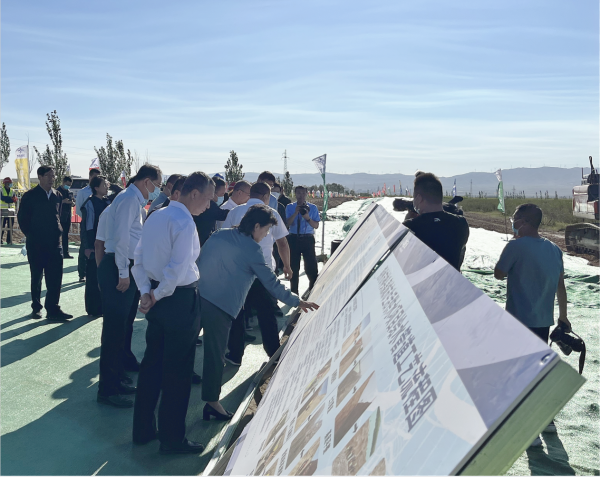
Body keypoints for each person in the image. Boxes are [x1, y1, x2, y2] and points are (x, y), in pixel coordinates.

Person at [198, 204, 319, 419]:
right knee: (215, 355)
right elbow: (271, 284)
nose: (266, 236)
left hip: (197, 296)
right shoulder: (252, 250)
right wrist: (297, 301)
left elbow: (199, 262)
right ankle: (212, 403)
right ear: (256, 226)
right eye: (266, 230)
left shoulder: (219, 235)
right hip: (220, 306)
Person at [132, 172, 215, 455]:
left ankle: (143, 429)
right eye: (208, 199)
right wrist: (155, 294)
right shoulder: (184, 222)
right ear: (194, 193)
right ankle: (171, 438)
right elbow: (177, 270)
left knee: (152, 365)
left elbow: (138, 258)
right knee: (178, 372)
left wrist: (147, 292)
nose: (209, 205)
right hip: (178, 299)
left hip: (157, 297)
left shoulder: (156, 215)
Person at [494, 203, 571, 446]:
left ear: (524, 222)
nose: (513, 222)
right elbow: (560, 286)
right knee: (537, 370)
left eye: (515, 219)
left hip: (518, 319)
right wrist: (563, 316)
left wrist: (511, 247)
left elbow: (499, 273)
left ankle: (530, 430)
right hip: (543, 321)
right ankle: (547, 420)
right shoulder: (554, 249)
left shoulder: (515, 246)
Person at [96, 164, 162, 408]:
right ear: (146, 181)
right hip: (118, 266)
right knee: (114, 331)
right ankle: (107, 389)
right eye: (157, 184)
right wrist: (123, 272)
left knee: (122, 328)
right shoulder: (128, 200)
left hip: (124, 266)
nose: (157, 190)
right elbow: (122, 239)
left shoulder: (133, 200)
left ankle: (116, 379)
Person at [221, 182, 293, 366]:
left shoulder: (234, 212)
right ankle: (274, 354)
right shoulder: (271, 213)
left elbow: (225, 240)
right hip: (262, 271)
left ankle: (234, 354)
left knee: (237, 314)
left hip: (237, 272)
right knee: (266, 313)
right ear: (266, 196)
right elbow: (282, 243)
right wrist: (287, 266)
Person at [17, 166, 73, 321]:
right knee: (36, 277)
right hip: (36, 244)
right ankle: (36, 308)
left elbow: (57, 216)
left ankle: (53, 308)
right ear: (40, 177)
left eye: (53, 176)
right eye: (48, 175)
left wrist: (57, 231)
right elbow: (22, 218)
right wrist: (32, 235)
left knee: (55, 277)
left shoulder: (57, 195)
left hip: (55, 243)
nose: (52, 178)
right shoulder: (30, 196)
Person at [402, 172, 469, 271]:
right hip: (451, 279)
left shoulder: (410, 226)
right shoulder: (461, 223)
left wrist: (406, 222)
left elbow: (402, 258)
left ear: (419, 198)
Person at [81, 175, 111, 317]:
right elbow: (87, 227)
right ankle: (93, 308)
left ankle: (103, 306)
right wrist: (88, 246)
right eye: (104, 185)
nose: (107, 187)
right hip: (94, 245)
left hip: (107, 245)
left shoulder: (108, 201)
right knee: (93, 277)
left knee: (104, 276)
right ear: (96, 188)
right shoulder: (90, 203)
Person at [286, 185, 321, 295]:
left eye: (303, 193)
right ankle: (294, 293)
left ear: (306, 194)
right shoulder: (290, 207)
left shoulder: (313, 208)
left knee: (311, 267)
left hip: (308, 239)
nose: (301, 196)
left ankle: (312, 291)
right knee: (293, 267)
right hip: (293, 238)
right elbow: (287, 224)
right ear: (295, 194)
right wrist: (295, 213)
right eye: (298, 193)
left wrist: (307, 218)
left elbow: (316, 225)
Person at [76, 168, 101, 281]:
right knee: (84, 248)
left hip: (98, 225)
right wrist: (87, 218)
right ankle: (82, 273)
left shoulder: (102, 191)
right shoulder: (83, 192)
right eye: (94, 177)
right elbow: (79, 209)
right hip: (87, 223)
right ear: (90, 177)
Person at [193, 176, 229, 246]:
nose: (223, 196)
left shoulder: (201, 202)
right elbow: (222, 214)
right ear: (213, 193)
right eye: (222, 194)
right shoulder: (210, 205)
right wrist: (237, 210)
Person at [56, 176, 75, 258]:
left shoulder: (69, 192)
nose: (68, 187)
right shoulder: (57, 191)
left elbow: (72, 201)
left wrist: (72, 203)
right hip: (59, 215)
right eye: (67, 185)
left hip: (67, 215)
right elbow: (55, 202)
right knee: (57, 234)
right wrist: (63, 201)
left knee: (65, 234)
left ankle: (65, 252)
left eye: (70, 185)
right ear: (63, 182)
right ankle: (56, 252)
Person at [1, 177, 16, 244]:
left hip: (11, 211)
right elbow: (2, 198)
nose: (10, 184)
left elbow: (14, 199)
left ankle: (9, 240)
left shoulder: (12, 191)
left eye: (10, 183)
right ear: (5, 183)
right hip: (2, 210)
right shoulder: (1, 190)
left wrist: (9, 199)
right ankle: (0, 239)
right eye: (9, 183)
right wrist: (9, 199)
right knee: (2, 226)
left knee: (10, 226)